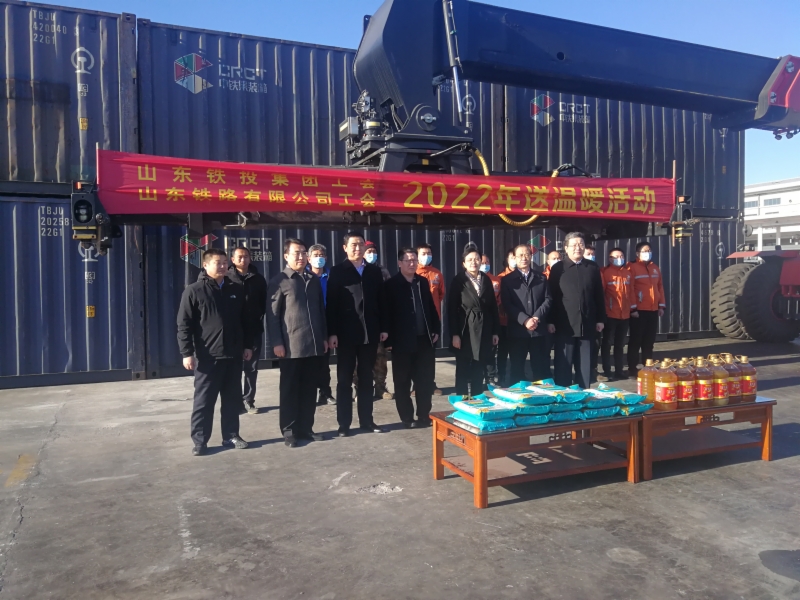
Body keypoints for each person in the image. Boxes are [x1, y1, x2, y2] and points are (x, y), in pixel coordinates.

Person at [177, 248, 253, 456]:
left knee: (231, 400)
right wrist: (187, 352)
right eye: (217, 263)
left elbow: (245, 321)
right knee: (204, 402)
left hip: (233, 355)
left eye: (224, 262)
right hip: (207, 357)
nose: (222, 266)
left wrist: (247, 346)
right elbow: (184, 325)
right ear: (205, 265)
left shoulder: (235, 289)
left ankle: (231, 435)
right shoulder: (194, 291)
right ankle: (200, 441)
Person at [267, 239, 328, 447]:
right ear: (286, 256)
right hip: (291, 346)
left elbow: (321, 311)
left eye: (303, 253)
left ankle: (306, 428)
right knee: (290, 391)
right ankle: (289, 431)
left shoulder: (312, 279)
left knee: (309, 390)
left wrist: (324, 337)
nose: (301, 257)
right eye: (296, 253)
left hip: (313, 345)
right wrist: (277, 342)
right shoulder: (279, 281)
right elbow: (272, 315)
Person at [327, 232, 388, 436]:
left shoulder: (374, 271)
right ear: (345, 248)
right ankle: (344, 424)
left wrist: (383, 328)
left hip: (370, 333)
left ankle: (367, 421)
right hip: (345, 334)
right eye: (353, 245)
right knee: (344, 380)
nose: (357, 248)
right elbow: (331, 304)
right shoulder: (337, 271)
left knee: (366, 378)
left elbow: (381, 301)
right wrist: (332, 332)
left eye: (361, 244)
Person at [382, 248, 441, 428]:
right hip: (401, 342)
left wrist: (435, 328)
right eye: (407, 260)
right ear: (399, 263)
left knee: (424, 380)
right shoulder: (391, 285)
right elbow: (386, 314)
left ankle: (423, 415)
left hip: (424, 340)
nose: (412, 263)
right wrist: (388, 341)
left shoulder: (422, 282)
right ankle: (407, 418)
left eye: (414, 260)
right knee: (402, 382)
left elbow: (431, 307)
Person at [548, 232, 606, 389]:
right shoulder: (558, 268)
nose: (577, 248)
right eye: (573, 245)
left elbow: (599, 295)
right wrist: (550, 321)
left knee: (585, 366)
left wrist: (600, 319)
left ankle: (584, 393)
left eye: (581, 244)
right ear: (566, 248)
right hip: (564, 324)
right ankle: (563, 396)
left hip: (587, 323)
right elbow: (552, 296)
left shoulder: (592, 267)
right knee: (563, 365)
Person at [448, 245, 500, 395]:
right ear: (463, 263)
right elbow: (452, 309)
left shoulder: (486, 279)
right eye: (470, 260)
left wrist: (495, 332)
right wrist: (455, 334)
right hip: (465, 328)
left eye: (477, 259)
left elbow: (493, 307)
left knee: (479, 365)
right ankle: (462, 398)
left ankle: (477, 398)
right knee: (463, 366)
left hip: (484, 327)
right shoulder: (458, 280)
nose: (474, 262)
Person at [501, 244, 553, 384]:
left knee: (540, 369)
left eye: (526, 255)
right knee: (517, 370)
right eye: (520, 255)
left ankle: (541, 395)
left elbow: (548, 299)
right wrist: (525, 320)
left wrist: (536, 317)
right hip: (518, 331)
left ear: (531, 257)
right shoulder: (507, 280)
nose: (524, 258)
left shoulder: (541, 278)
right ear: (514, 258)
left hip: (538, 330)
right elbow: (507, 304)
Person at [229, 247, 268, 415]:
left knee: (251, 367)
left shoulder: (258, 279)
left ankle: (248, 400)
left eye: (246, 256)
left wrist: (256, 317)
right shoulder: (227, 278)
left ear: (250, 259)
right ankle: (235, 401)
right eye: (239, 257)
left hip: (253, 330)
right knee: (233, 368)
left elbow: (264, 303)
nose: (243, 260)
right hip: (232, 331)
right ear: (232, 260)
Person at [357, 240, 393, 401]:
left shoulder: (382, 271)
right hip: (359, 322)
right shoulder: (356, 270)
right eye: (368, 251)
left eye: (373, 251)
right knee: (359, 359)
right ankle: (359, 388)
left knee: (380, 357)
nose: (371, 254)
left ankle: (380, 387)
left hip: (377, 321)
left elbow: (388, 297)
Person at [627, 242, 666, 375]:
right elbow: (630, 289)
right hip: (639, 311)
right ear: (637, 253)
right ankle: (632, 368)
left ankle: (648, 366)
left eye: (649, 250)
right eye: (644, 251)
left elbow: (660, 287)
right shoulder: (631, 267)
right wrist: (633, 309)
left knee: (649, 341)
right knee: (636, 340)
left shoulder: (655, 267)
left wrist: (661, 305)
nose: (647, 253)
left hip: (653, 309)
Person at [307, 243, 336, 406]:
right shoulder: (304, 276)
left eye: (321, 256)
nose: (319, 259)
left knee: (324, 362)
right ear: (309, 259)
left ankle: (325, 393)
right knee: (311, 363)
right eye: (315, 256)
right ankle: (310, 393)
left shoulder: (331, 276)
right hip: (310, 321)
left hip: (328, 321)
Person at [600, 247, 635, 381]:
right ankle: (607, 371)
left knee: (620, 345)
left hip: (624, 315)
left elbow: (631, 292)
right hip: (610, 314)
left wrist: (633, 309)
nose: (619, 259)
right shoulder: (605, 273)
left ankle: (619, 370)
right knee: (607, 344)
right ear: (610, 259)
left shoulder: (627, 273)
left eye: (621, 256)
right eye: (615, 257)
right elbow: (602, 293)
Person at [416, 242, 446, 395]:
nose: (426, 256)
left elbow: (441, 294)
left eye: (428, 253)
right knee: (416, 355)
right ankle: (416, 385)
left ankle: (431, 384)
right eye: (423, 253)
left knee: (430, 355)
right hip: (416, 321)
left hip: (433, 320)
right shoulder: (413, 272)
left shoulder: (437, 274)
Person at [494, 249, 517, 385]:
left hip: (519, 321)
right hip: (504, 321)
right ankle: (501, 375)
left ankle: (518, 375)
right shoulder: (500, 278)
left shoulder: (523, 276)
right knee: (503, 351)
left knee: (517, 352)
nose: (514, 260)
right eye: (512, 257)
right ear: (507, 260)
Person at [481, 254, 501, 385]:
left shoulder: (496, 280)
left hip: (491, 318)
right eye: (482, 262)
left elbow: (499, 299)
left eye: (487, 262)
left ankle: (490, 377)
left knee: (491, 351)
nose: (485, 264)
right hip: (476, 321)